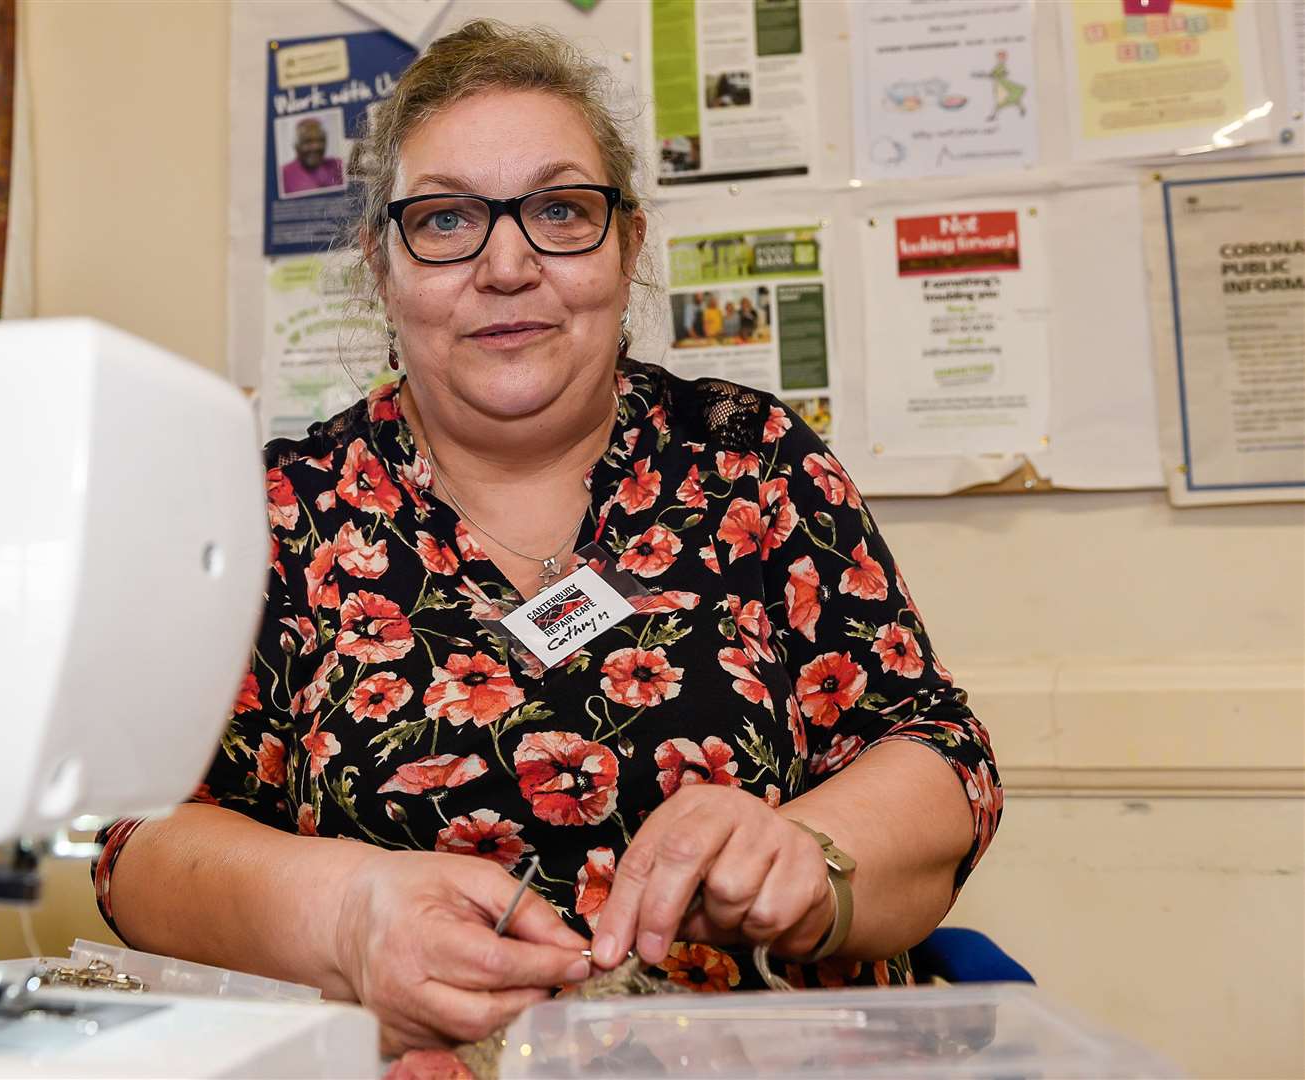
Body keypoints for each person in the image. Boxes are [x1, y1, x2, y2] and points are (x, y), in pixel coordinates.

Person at [96, 19, 1000, 1056]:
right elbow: (142, 839)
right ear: (380, 266)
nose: (508, 264)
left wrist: (810, 855)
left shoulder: (752, 462)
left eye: (560, 210)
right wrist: (347, 912)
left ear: (628, 244)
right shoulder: (282, 513)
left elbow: (936, 752)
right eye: (445, 221)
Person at [282, 116, 344, 195]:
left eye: (320, 140)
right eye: (308, 141)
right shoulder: (284, 175)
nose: (316, 147)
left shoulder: (338, 165)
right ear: (296, 146)